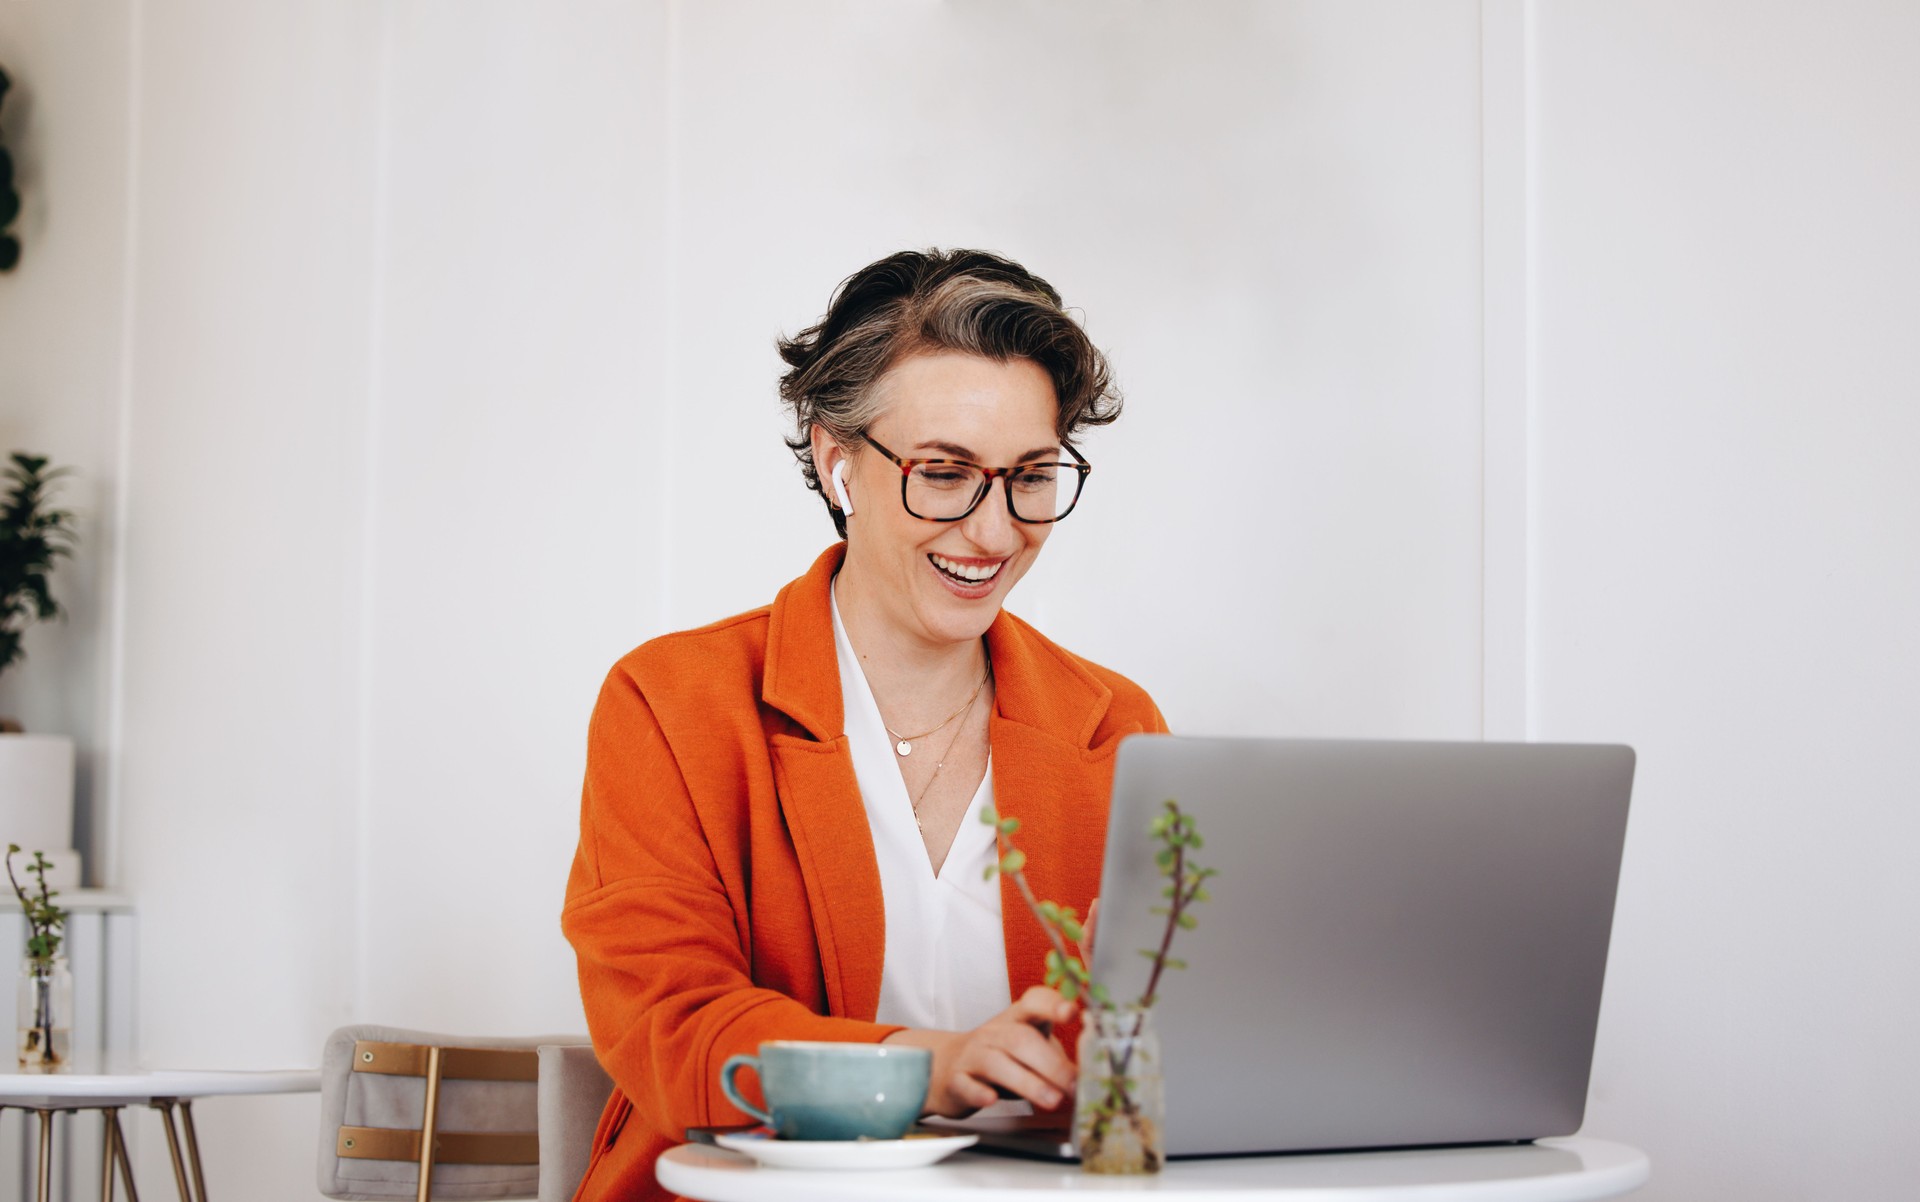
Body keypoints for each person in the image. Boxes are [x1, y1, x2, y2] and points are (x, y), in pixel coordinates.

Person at [562, 248, 1166, 1202]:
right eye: (944, 472)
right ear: (836, 460)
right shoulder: (671, 701)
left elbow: (1157, 1036)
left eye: (1032, 476)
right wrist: (930, 1064)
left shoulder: (1116, 727)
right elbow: (670, 1027)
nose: (996, 531)